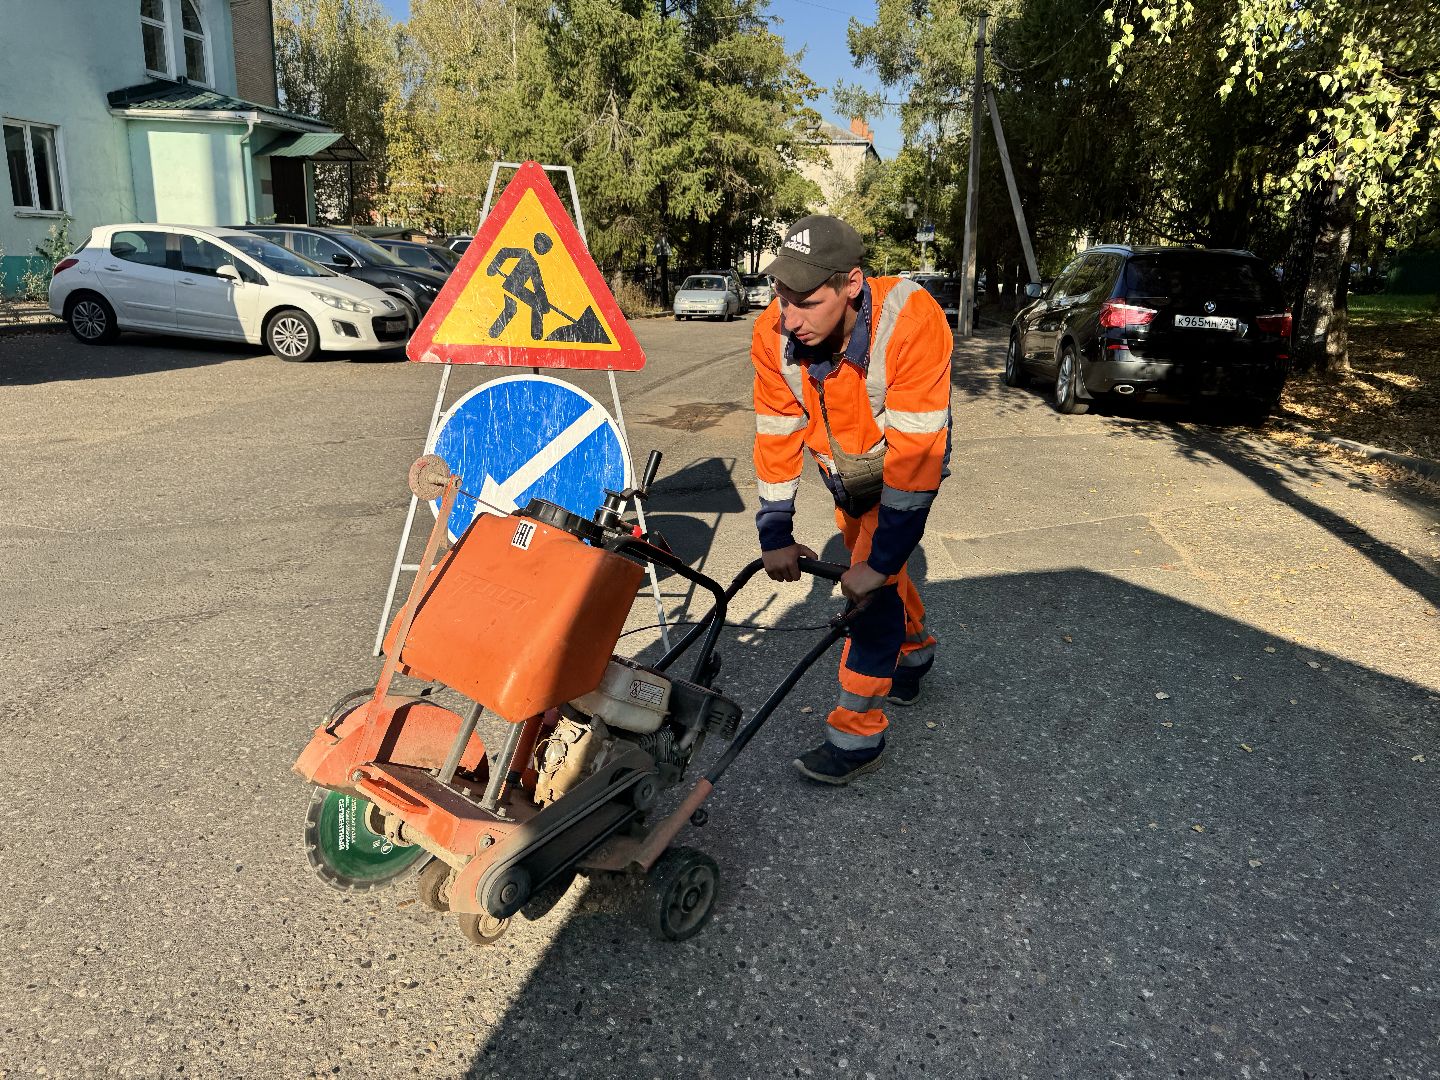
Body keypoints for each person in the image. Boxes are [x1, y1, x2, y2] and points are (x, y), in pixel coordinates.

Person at [751, 215, 952, 785]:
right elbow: (776, 432)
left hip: (901, 465)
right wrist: (775, 532)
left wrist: (881, 564)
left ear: (852, 284)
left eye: (807, 301)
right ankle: (914, 655)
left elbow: (915, 466)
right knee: (872, 568)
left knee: (871, 596)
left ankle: (856, 737)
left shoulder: (912, 322)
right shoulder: (775, 333)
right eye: (781, 297)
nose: (789, 318)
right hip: (844, 470)